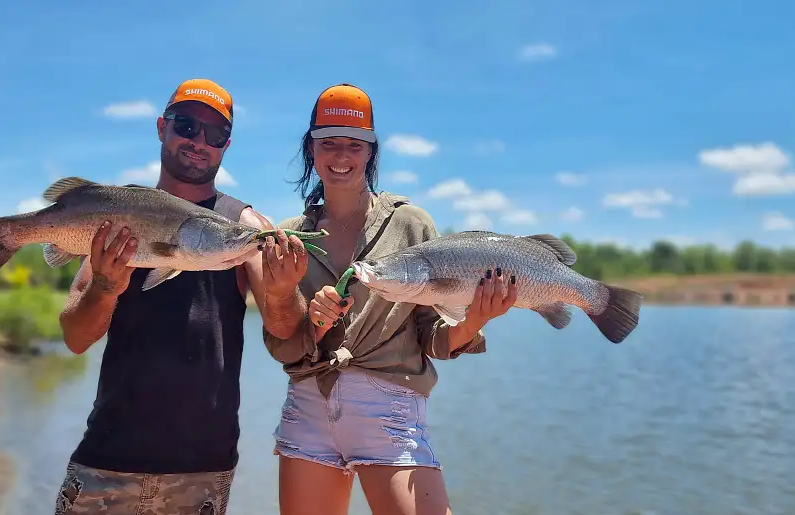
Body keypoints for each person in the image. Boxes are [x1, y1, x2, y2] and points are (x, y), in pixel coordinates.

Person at [53, 78, 309, 515]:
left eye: (215, 135)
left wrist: (284, 290)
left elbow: (286, 328)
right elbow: (75, 337)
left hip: (202, 471)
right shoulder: (121, 211)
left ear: (227, 145)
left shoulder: (244, 225)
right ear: (161, 128)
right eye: (187, 126)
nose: (199, 142)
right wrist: (106, 287)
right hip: (107, 459)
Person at [261, 83, 519, 515]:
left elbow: (433, 338)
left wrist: (474, 319)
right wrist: (306, 315)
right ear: (311, 148)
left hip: (391, 408)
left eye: (354, 145)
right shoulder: (290, 235)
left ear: (371, 152)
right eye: (329, 144)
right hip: (308, 408)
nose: (341, 157)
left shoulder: (410, 224)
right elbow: (284, 344)